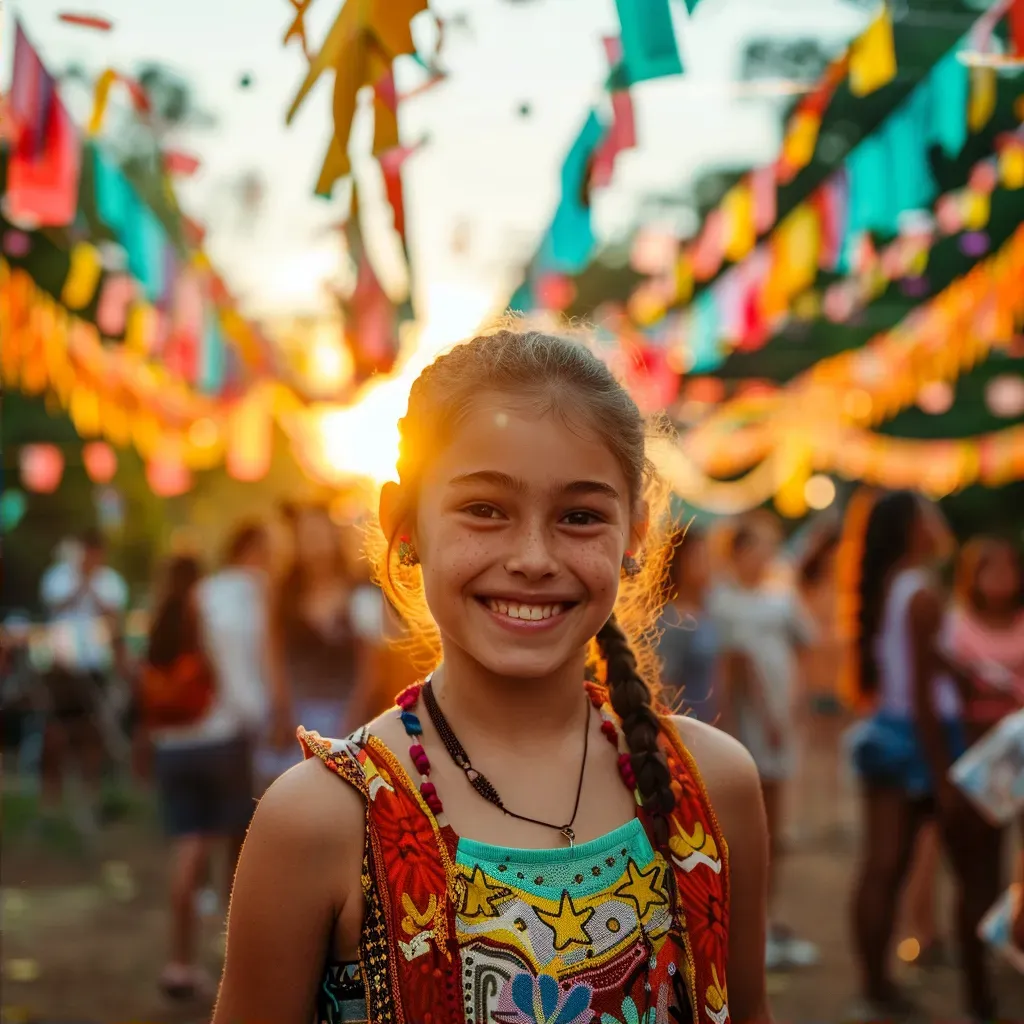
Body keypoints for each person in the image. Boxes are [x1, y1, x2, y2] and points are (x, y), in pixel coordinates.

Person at [214, 328, 770, 1024]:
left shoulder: (712, 787)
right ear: (404, 526)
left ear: (634, 537)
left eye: (578, 517)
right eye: (484, 509)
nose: (533, 557)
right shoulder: (320, 822)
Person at [842, 490, 969, 1018]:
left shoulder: (897, 584)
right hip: (918, 736)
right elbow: (920, 692)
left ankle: (876, 981)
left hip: (889, 731)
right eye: (930, 513)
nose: (939, 522)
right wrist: (941, 773)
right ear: (915, 526)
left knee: (883, 865)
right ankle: (877, 985)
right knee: (888, 865)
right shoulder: (921, 592)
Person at [149, 525, 273, 1000]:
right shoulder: (210, 608)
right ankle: (235, 963)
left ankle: (178, 964)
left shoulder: (161, 616)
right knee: (234, 859)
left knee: (188, 852)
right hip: (219, 741)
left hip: (172, 748)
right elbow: (234, 678)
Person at [708, 515, 818, 972]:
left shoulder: (780, 597)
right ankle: (747, 926)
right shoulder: (722, 600)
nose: (763, 557)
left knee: (776, 824)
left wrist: (795, 705)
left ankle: (766, 920)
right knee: (749, 823)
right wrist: (765, 716)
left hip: (779, 719)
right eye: (755, 548)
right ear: (736, 552)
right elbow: (738, 667)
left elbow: (807, 643)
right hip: (749, 724)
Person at [938, 537, 1024, 1009]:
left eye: (1010, 567)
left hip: (1021, 754)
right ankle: (979, 991)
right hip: (981, 761)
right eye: (992, 569)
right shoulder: (955, 626)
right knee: (981, 874)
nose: (1003, 578)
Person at [257, 505, 366, 783]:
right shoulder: (283, 594)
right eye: (306, 534)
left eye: (320, 532)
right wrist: (282, 709)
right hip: (295, 714)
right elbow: (273, 654)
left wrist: (353, 721)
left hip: (346, 714)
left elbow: (371, 669)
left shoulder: (358, 592)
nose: (314, 541)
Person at [39, 528, 128, 825]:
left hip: (94, 664)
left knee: (93, 733)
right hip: (62, 664)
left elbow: (114, 618)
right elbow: (55, 607)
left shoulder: (111, 581)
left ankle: (91, 798)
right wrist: (81, 583)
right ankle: (50, 802)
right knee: (55, 733)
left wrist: (92, 586)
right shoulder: (58, 576)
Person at [656, 526, 724, 724]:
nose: (709, 565)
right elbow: (663, 683)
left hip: (710, 721)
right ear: (680, 562)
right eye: (700, 558)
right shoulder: (672, 619)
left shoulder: (707, 610)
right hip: (686, 725)